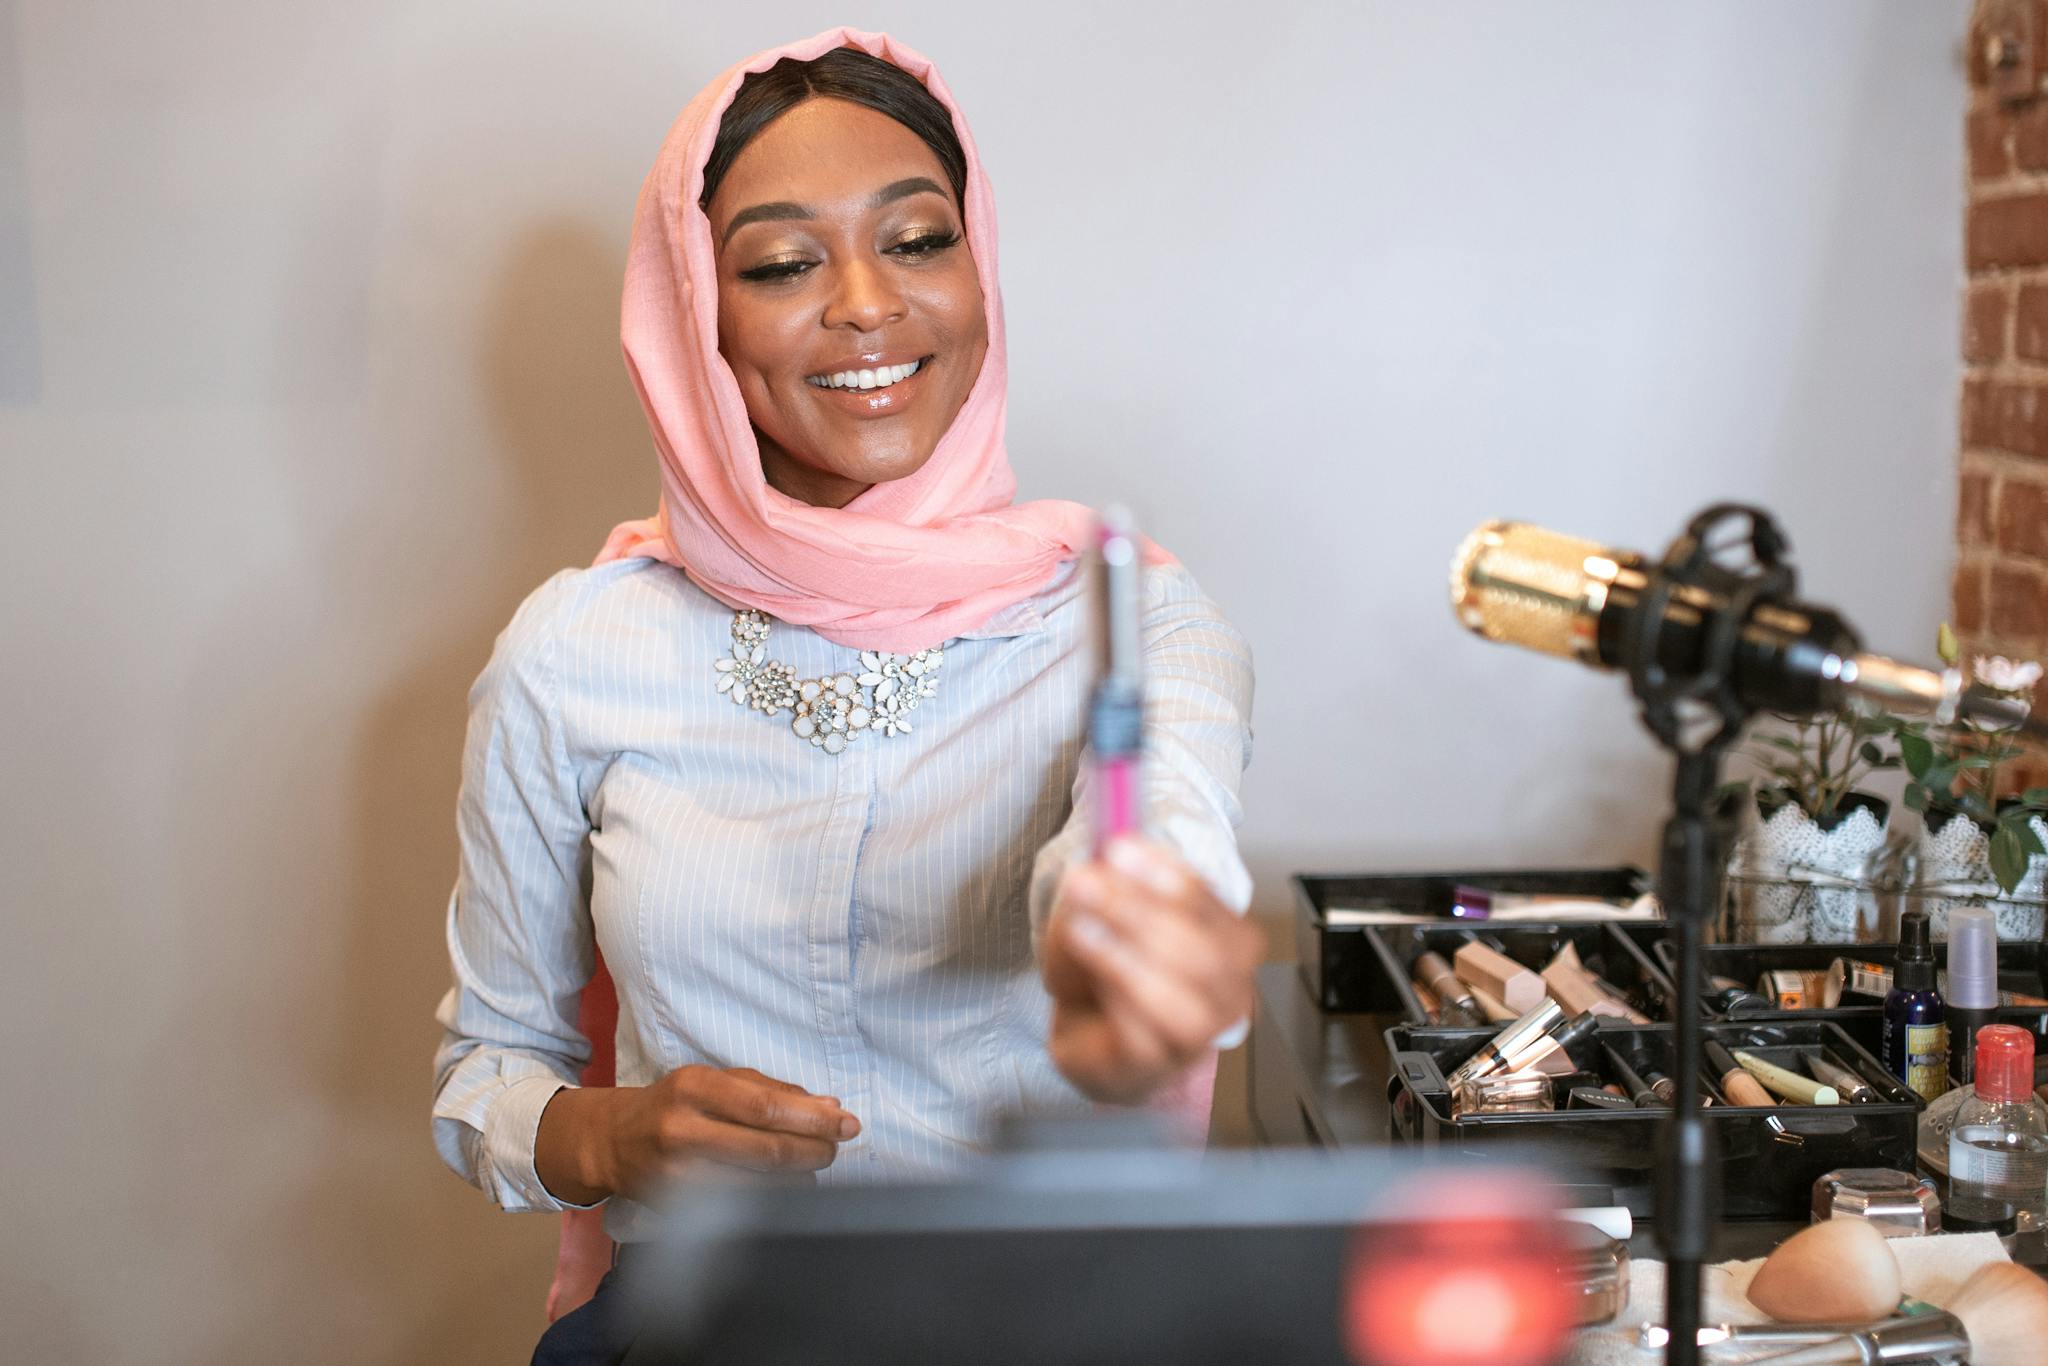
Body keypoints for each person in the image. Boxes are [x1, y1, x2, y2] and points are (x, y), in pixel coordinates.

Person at [430, 27, 1260, 1364]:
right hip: (710, 1324)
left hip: (1043, 1328)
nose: (868, 304)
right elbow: (485, 1070)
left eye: (919, 240)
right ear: (693, 315)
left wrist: (1134, 936)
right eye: (782, 264)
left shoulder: (1128, 620)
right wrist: (614, 1134)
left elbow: (1157, 839)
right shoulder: (573, 650)